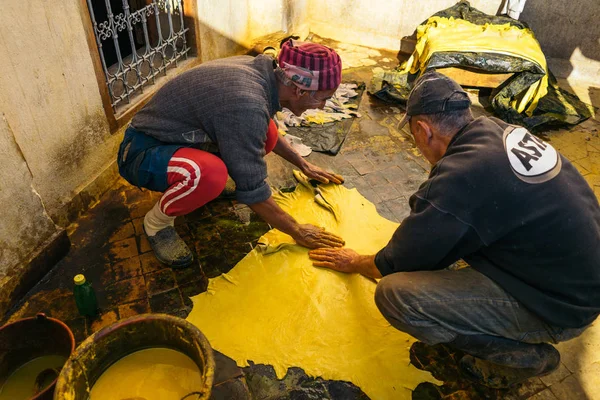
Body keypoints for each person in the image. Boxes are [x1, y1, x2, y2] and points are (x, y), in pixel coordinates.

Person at [308, 70, 600, 388]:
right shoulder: (494, 129)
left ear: (423, 129)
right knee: (451, 253)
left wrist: (355, 262)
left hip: (561, 307)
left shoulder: (462, 178)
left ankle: (521, 355)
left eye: (413, 134)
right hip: (580, 278)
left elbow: (397, 262)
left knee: (396, 295)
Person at [117, 40, 346, 268]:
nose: (322, 106)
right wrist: (297, 230)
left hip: (183, 138)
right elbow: (253, 191)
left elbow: (261, 126)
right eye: (322, 98)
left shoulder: (264, 73)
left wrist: (303, 165)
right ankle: (157, 223)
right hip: (142, 151)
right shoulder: (247, 104)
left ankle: (203, 187)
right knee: (209, 175)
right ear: (299, 89)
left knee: (266, 132)